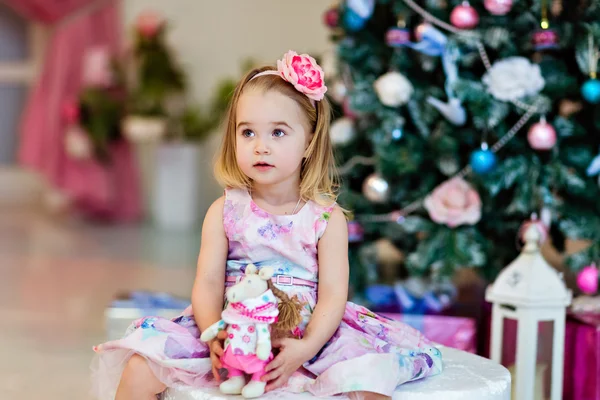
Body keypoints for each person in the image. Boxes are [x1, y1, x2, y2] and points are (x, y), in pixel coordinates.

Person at [91, 50, 442, 400]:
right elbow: (208, 281)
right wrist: (214, 333)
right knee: (141, 366)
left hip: (306, 331)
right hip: (233, 325)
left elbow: (334, 295)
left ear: (308, 142)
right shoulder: (225, 210)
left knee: (367, 378)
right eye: (248, 133)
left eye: (278, 132)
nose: (261, 147)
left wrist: (307, 347)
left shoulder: (326, 218)